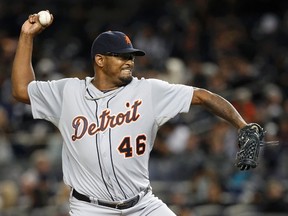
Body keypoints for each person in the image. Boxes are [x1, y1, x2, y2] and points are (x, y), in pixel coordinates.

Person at [12, 11, 250, 216]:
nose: (129, 62)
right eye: (122, 56)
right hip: (91, 208)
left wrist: (241, 125)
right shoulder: (68, 92)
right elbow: (22, 90)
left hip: (143, 205)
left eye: (131, 56)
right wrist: (26, 36)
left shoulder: (148, 90)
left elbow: (203, 96)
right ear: (100, 60)